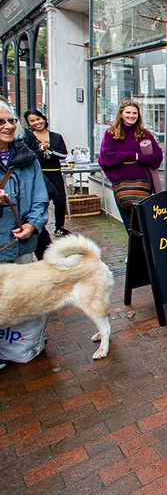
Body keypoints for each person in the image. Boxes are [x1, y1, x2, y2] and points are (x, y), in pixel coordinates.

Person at [0, 102, 49, 366]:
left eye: (11, 121)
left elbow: (41, 199)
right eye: (1, 122)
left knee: (25, 297)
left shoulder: (27, 159)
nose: (8, 126)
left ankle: (23, 345)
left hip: (21, 244)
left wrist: (33, 224)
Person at [97, 99, 164, 231]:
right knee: (130, 227)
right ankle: (134, 252)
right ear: (121, 114)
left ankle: (144, 252)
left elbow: (157, 159)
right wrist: (132, 155)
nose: (131, 116)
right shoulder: (111, 134)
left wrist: (138, 157)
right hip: (122, 187)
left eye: (135, 113)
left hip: (143, 187)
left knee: (143, 227)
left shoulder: (144, 134)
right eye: (128, 112)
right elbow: (106, 159)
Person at [24, 110, 69, 238]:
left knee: (60, 201)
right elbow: (28, 155)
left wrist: (50, 150)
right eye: (32, 121)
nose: (37, 123)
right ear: (29, 124)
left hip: (55, 172)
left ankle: (59, 227)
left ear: (43, 118)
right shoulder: (28, 138)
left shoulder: (56, 136)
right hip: (38, 175)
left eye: (38, 119)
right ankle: (37, 226)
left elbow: (64, 154)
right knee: (40, 201)